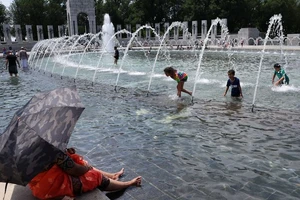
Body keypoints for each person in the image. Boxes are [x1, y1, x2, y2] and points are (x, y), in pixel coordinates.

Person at [29, 147, 142, 200]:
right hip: (52, 188)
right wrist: (86, 168)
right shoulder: (52, 149)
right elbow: (75, 170)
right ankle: (129, 183)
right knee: (95, 176)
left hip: (39, 187)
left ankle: (112, 176)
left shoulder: (31, 148)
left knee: (79, 162)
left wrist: (67, 152)